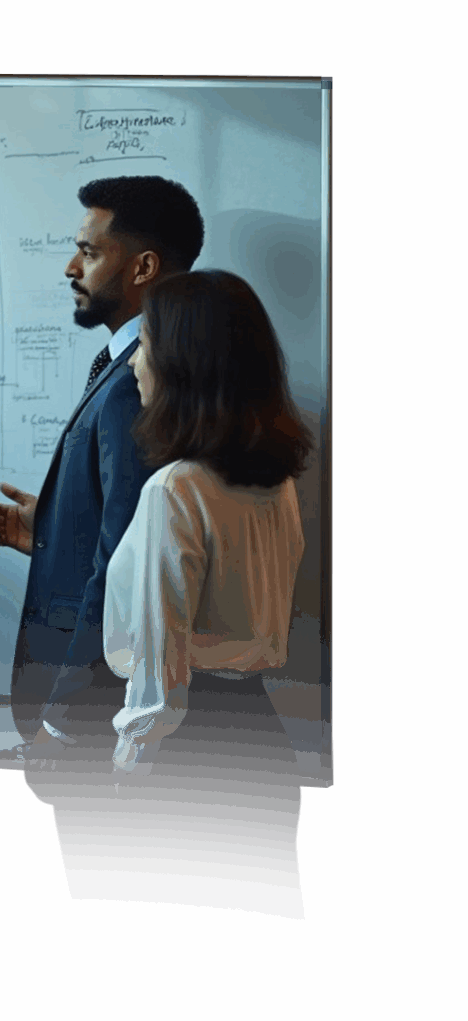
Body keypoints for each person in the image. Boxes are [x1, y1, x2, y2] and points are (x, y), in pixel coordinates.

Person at [0, 176, 204, 783]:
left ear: (143, 267)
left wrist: (64, 721)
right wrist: (57, 529)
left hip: (95, 722)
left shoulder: (140, 381)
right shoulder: (134, 367)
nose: (70, 267)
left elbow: (124, 567)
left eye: (88, 251)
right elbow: (122, 535)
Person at [104, 269, 314, 807]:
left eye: (144, 344)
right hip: (261, 737)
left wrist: (130, 758)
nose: (131, 363)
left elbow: (161, 664)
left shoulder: (174, 489)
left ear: (182, 362)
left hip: (188, 753)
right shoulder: (277, 480)